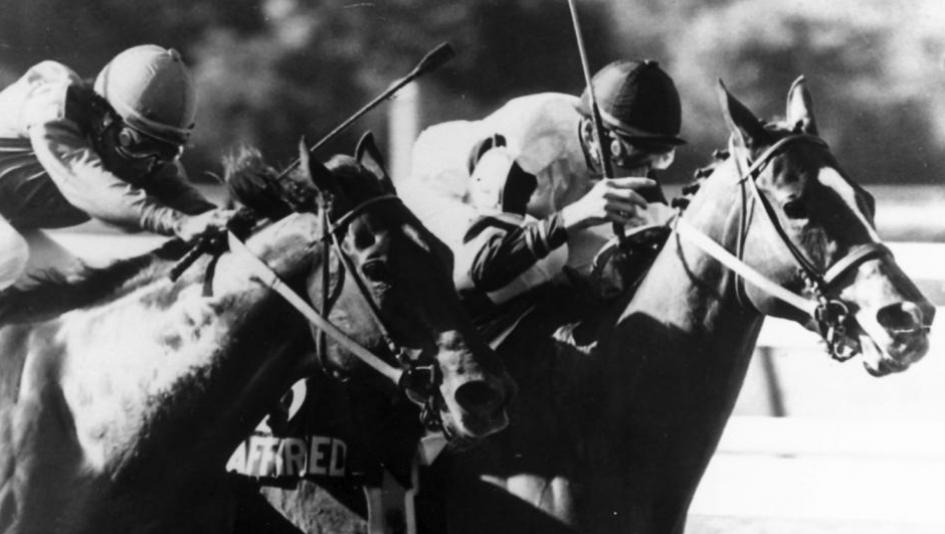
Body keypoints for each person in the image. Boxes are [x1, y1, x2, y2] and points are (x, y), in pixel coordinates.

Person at [408, 59, 684, 337]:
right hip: (442, 203)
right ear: (591, 133)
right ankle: (454, 338)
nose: (641, 171)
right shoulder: (527, 148)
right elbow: (486, 268)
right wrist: (573, 216)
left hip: (524, 220)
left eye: (660, 157)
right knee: (553, 256)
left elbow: (658, 231)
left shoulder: (628, 152)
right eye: (631, 154)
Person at [0, 44, 233, 289]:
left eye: (166, 151)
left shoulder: (129, 145)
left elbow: (177, 192)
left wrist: (221, 218)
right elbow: (97, 190)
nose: (147, 164)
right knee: (9, 254)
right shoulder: (52, 113)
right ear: (104, 118)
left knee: (64, 290)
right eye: (137, 144)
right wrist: (180, 223)